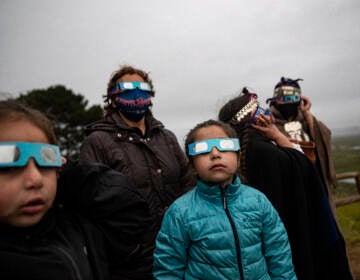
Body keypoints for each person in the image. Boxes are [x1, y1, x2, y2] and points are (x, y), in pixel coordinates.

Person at [0, 100, 151, 280]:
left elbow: (130, 213)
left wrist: (71, 173)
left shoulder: (78, 228)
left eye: (45, 162)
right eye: (8, 167)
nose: (35, 179)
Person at [218, 89, 353, 279]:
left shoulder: (237, 154)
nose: (266, 112)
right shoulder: (269, 153)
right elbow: (306, 168)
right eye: (260, 110)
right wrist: (279, 137)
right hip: (292, 242)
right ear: (255, 118)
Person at [79, 65, 195, 279]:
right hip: (130, 260)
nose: (136, 92)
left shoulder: (167, 137)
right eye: (127, 87)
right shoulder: (98, 141)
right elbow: (91, 200)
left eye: (142, 87)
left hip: (177, 247)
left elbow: (188, 178)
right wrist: (128, 243)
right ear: (113, 96)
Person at [153, 119, 296, 279]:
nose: (215, 154)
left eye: (225, 146)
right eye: (203, 150)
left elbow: (280, 256)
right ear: (192, 165)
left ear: (238, 156)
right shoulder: (179, 212)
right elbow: (168, 271)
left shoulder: (259, 201)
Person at [266, 77, 337, 211]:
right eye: (283, 99)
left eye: (292, 99)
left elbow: (324, 137)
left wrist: (307, 114)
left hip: (315, 182)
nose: (288, 104)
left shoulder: (305, 121)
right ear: (275, 100)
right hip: (290, 186)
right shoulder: (270, 124)